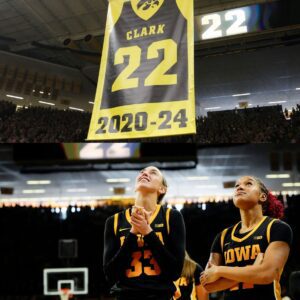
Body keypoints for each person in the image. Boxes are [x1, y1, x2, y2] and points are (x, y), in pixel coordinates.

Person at [200, 176, 293, 300]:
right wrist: (253, 270)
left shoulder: (276, 228)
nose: (239, 187)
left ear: (262, 196)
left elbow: (267, 274)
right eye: (236, 185)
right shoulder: (223, 236)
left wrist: (220, 271)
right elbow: (208, 284)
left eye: (248, 183)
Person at [103, 166, 186, 300]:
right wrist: (133, 232)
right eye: (141, 172)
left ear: (162, 189)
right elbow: (110, 275)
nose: (144, 173)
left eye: (153, 173)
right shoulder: (114, 221)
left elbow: (175, 272)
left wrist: (147, 231)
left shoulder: (172, 217)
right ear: (135, 186)